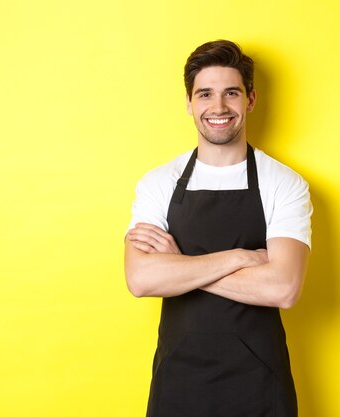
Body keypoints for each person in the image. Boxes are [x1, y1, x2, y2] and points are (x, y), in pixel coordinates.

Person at [124, 40, 312, 417]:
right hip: (178, 381)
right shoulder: (159, 183)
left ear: (251, 100)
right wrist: (242, 258)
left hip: (260, 383)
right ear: (189, 104)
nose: (219, 107)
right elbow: (141, 280)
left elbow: (284, 288)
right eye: (205, 94)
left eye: (231, 93)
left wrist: (180, 266)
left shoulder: (284, 183)